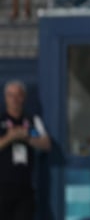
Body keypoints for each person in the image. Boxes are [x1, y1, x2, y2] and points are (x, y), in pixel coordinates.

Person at [0, 80, 51, 220]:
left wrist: (27, 137)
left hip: (25, 187)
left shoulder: (32, 120)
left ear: (24, 97)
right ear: (5, 98)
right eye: (10, 95)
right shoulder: (1, 120)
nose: (14, 99)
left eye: (18, 95)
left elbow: (46, 144)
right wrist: (9, 138)